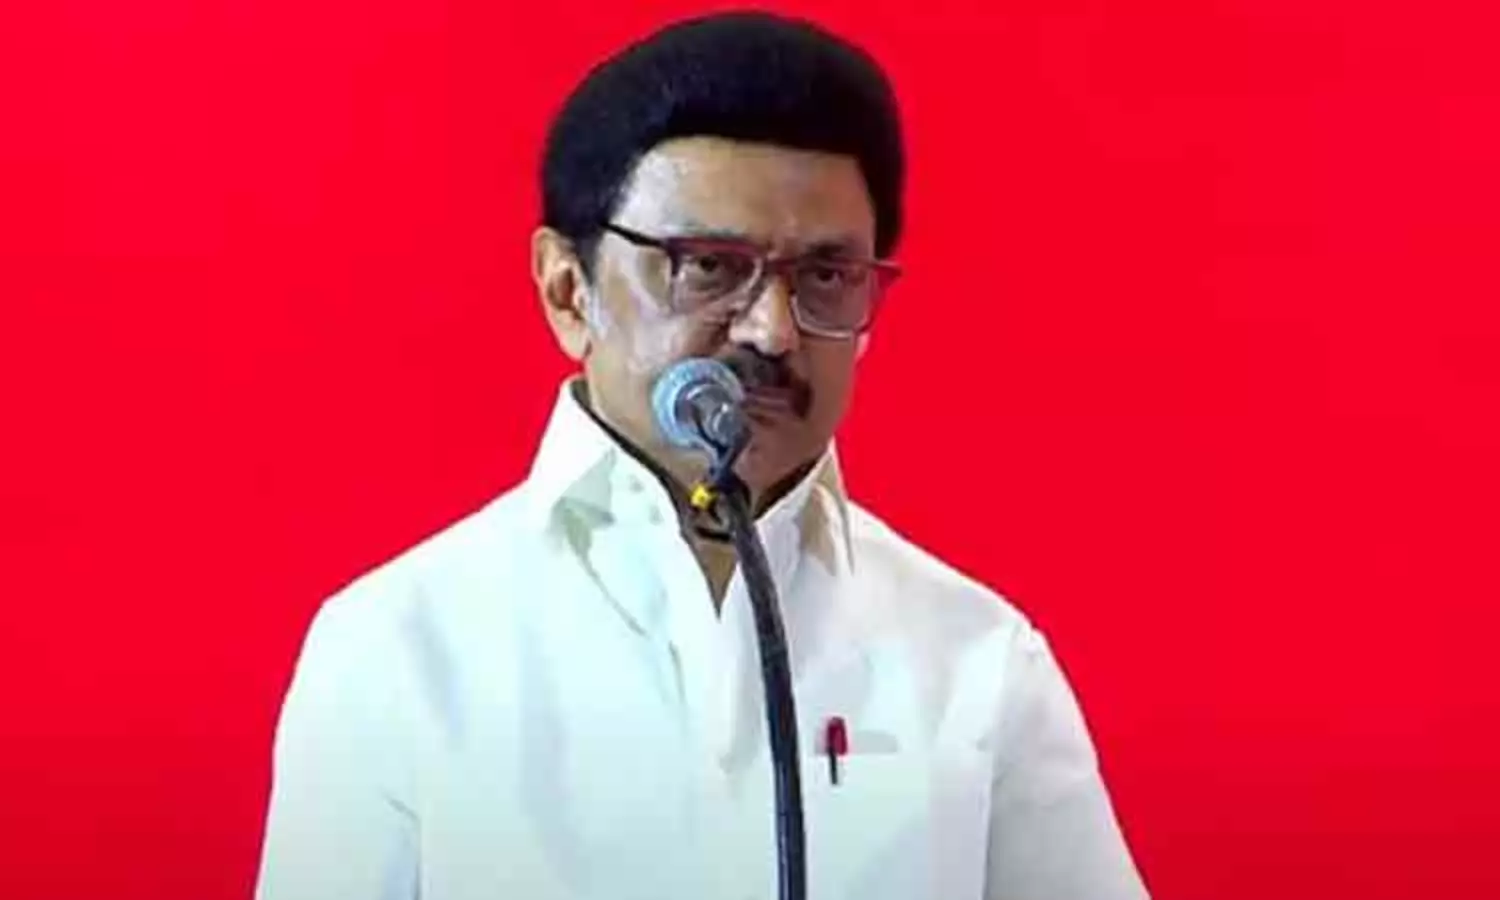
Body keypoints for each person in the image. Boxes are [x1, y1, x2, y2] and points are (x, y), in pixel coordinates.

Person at [255, 11, 1149, 900]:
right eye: (710, 267)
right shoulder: (398, 649)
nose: (772, 331)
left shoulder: (978, 661)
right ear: (568, 291)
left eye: (826, 277)